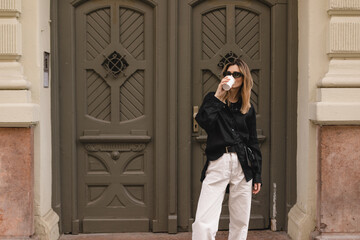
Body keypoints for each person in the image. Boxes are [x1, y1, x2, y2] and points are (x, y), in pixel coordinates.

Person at [192, 58, 262, 240]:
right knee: (203, 220)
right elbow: (204, 122)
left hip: (243, 164)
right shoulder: (212, 100)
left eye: (236, 74)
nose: (231, 77)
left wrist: (257, 174)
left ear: (243, 78)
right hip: (218, 161)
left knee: (240, 221)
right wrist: (218, 96)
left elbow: (253, 142)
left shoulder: (248, 108)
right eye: (228, 74)